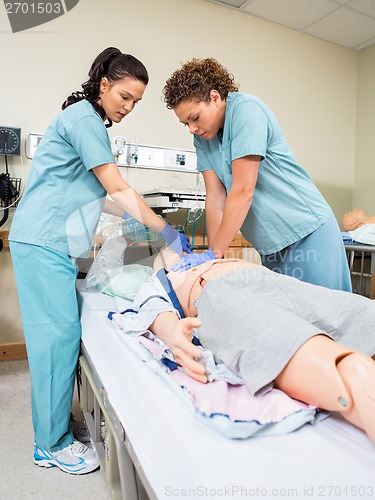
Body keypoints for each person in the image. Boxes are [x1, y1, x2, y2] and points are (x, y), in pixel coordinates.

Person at [8, 47, 191, 475]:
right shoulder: (85, 120)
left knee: (63, 333)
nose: (129, 107)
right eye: (125, 96)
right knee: (56, 338)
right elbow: (120, 188)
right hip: (42, 241)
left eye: (137, 102)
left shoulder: (86, 123)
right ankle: (49, 443)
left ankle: (55, 423)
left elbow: (101, 197)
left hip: (50, 242)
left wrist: (144, 224)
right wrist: (165, 231)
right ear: (104, 85)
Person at [117, 246, 375, 444]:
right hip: (220, 294)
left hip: (277, 282)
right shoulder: (161, 279)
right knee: (283, 338)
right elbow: (153, 309)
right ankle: (359, 382)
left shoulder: (223, 258)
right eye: (168, 252)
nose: (181, 252)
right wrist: (172, 332)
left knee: (360, 312)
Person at [162, 58, 351, 292]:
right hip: (270, 245)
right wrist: (213, 260)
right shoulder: (202, 138)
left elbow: (242, 191)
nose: (192, 128)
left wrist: (214, 254)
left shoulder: (246, 111)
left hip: (307, 232)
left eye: (195, 118)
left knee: (328, 316)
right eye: (185, 124)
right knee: (289, 320)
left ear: (214, 97)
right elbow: (215, 198)